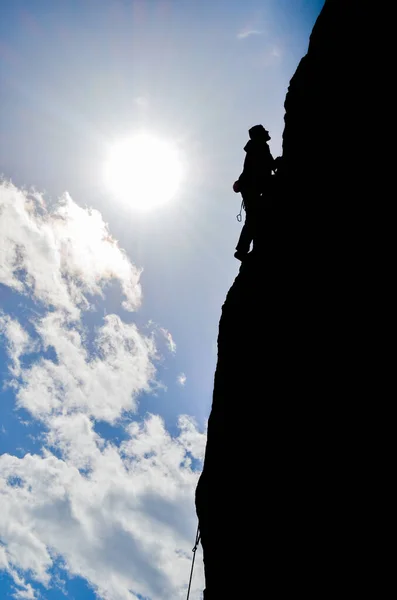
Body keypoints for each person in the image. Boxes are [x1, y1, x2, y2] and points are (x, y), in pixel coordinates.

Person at [233, 124, 275, 260]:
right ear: (259, 135)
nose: (267, 132)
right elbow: (264, 167)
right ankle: (241, 251)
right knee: (253, 218)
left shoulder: (256, 146)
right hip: (251, 187)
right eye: (264, 131)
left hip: (250, 187)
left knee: (254, 217)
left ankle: (243, 249)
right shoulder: (260, 146)